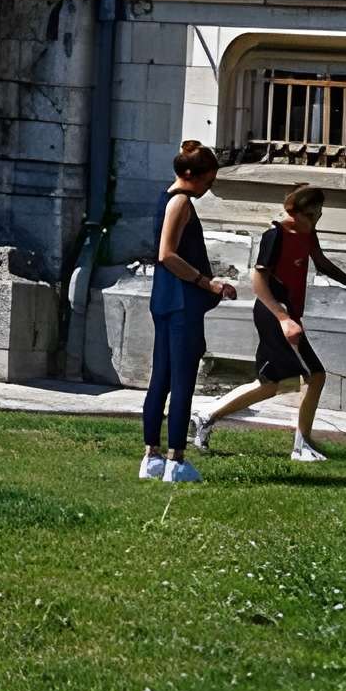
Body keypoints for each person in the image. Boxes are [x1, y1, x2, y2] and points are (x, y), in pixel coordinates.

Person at [200, 183, 346, 462]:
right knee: (314, 375)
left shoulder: (307, 233)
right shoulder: (276, 235)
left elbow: (321, 262)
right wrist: (283, 319)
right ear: (300, 213)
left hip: (288, 314)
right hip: (274, 313)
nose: (317, 219)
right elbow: (258, 283)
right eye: (314, 214)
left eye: (319, 214)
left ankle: (207, 416)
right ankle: (301, 445)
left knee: (274, 384)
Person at [138, 140, 234, 482]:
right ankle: (176, 460)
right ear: (191, 175)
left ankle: (152, 456)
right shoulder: (181, 202)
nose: (209, 188)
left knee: (160, 379)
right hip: (180, 304)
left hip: (164, 300)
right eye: (208, 181)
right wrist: (206, 282)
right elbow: (167, 254)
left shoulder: (167, 197)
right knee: (181, 383)